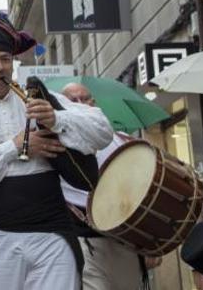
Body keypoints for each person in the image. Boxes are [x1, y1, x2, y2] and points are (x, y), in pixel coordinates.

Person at [0, 0, 113, 290]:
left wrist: (57, 120)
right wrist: (17, 146)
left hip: (52, 233)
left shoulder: (40, 100)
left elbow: (102, 130)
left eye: (5, 59)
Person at [59, 82, 148, 290]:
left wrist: (147, 243)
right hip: (85, 241)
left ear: (94, 103)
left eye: (85, 98)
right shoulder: (57, 145)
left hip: (125, 239)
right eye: (73, 100)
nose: (81, 104)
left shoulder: (120, 141)